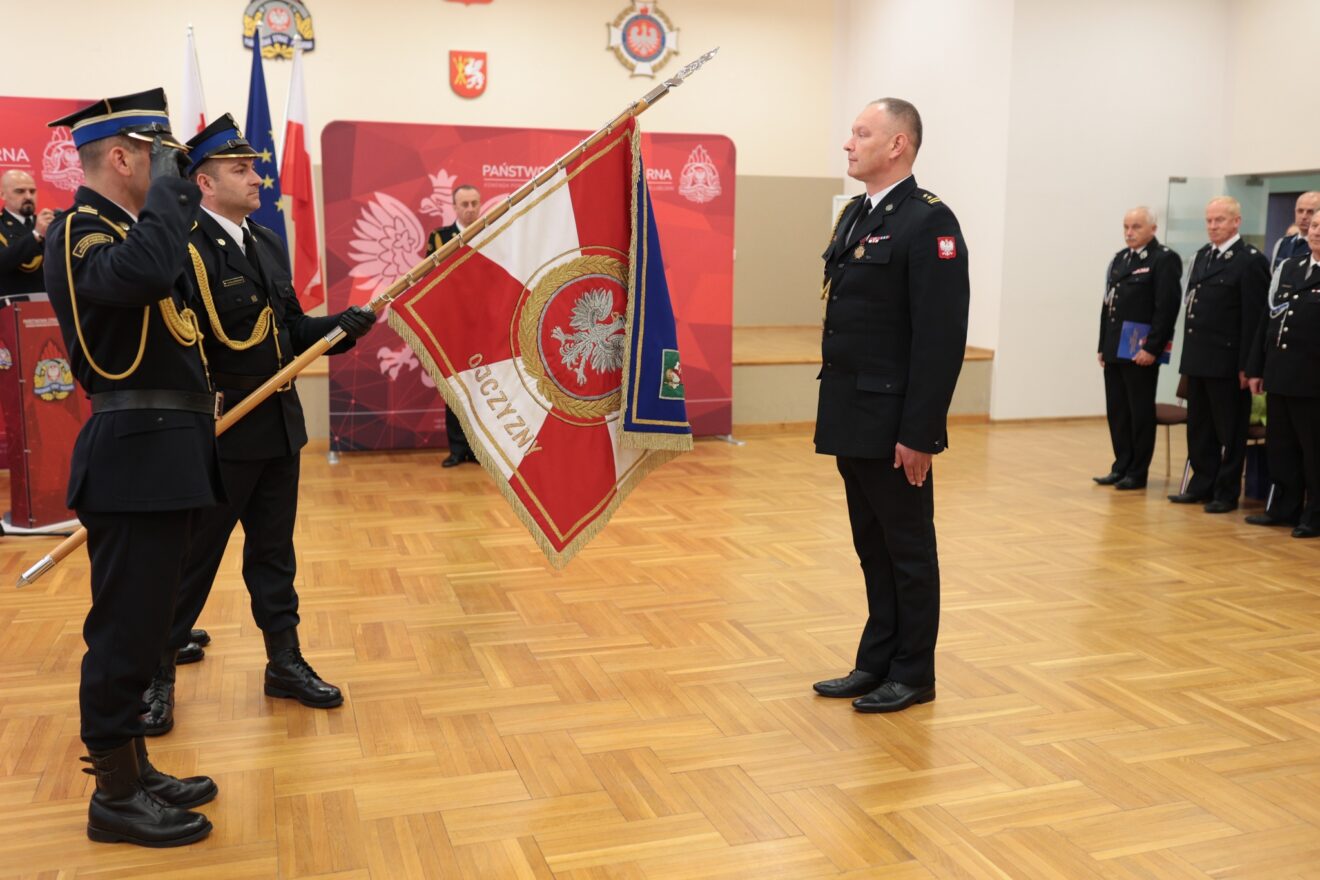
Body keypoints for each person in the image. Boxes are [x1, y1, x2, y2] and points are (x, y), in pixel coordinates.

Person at [138, 115, 377, 736]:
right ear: (204, 183)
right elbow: (177, 344)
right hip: (219, 428)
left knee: (274, 554)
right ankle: (155, 676)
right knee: (194, 559)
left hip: (277, 423)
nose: (256, 177)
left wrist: (334, 330)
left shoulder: (265, 241)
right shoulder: (181, 247)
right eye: (240, 170)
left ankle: (284, 661)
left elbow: (286, 330)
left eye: (253, 166)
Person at [44, 88, 221, 847]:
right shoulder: (81, 230)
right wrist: (176, 194)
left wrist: (168, 194)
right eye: (162, 158)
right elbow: (143, 278)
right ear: (121, 158)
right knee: (122, 632)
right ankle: (113, 797)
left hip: (170, 449)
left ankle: (137, 768)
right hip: (133, 452)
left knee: (152, 627)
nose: (177, 174)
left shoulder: (129, 226)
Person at [811, 98, 969, 714]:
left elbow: (940, 335)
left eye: (861, 133)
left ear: (897, 145)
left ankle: (913, 671)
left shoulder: (928, 221)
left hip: (895, 422)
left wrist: (922, 432)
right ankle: (876, 660)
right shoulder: (857, 213)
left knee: (907, 550)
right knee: (871, 546)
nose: (848, 144)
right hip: (852, 414)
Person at [1168, 196, 1269, 513]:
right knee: (1199, 428)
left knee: (1229, 431)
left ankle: (1225, 493)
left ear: (1237, 221)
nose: (1213, 226)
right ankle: (1201, 485)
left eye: (1220, 220)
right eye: (1209, 220)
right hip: (1199, 358)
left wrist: (1247, 366)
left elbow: (1254, 319)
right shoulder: (1202, 256)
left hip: (1228, 363)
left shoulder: (1250, 260)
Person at [1095, 207, 1183, 490]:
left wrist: (1153, 348)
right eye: (1126, 227)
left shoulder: (1163, 260)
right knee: (1118, 411)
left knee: (1139, 412)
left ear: (1152, 229)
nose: (1129, 232)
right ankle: (1120, 465)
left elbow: (1166, 309)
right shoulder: (1120, 259)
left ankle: (1137, 471)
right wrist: (1102, 345)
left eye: (1136, 227)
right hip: (1115, 348)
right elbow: (1108, 306)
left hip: (1141, 351)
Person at [1246, 215, 1320, 538]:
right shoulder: (1288, 267)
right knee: (1281, 446)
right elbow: (1269, 320)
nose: (1316, 231)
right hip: (1280, 373)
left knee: (1314, 452)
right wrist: (1257, 367)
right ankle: (1283, 508)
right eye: (1315, 226)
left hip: (1313, 379)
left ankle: (1314, 515)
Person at [426, 184, 481, 467]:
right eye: (465, 204)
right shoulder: (439, 238)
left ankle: (479, 450)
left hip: (484, 325)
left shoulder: (491, 232)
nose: (470, 209)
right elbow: (428, 281)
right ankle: (457, 449)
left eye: (474, 203)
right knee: (455, 388)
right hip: (452, 325)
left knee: (482, 389)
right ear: (454, 207)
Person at [0, 169, 56, 297]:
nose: (28, 197)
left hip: (51, 305)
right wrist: (35, 235)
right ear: (3, 195)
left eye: (32, 191)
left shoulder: (49, 224)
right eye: (20, 191)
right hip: (12, 306)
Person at [1269, 192, 1320, 270]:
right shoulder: (1282, 243)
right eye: (1300, 211)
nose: (1304, 216)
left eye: (1310, 212)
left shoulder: (1317, 246)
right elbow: (1273, 274)